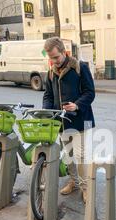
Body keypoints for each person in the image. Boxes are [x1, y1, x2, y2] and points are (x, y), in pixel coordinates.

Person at [43, 37, 96, 204]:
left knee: (80, 156)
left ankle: (85, 188)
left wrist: (77, 105)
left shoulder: (80, 67)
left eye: (56, 57)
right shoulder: (51, 72)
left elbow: (90, 92)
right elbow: (48, 95)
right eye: (51, 58)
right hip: (61, 122)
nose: (54, 61)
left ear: (64, 52)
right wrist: (47, 112)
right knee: (69, 154)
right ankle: (74, 181)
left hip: (81, 119)